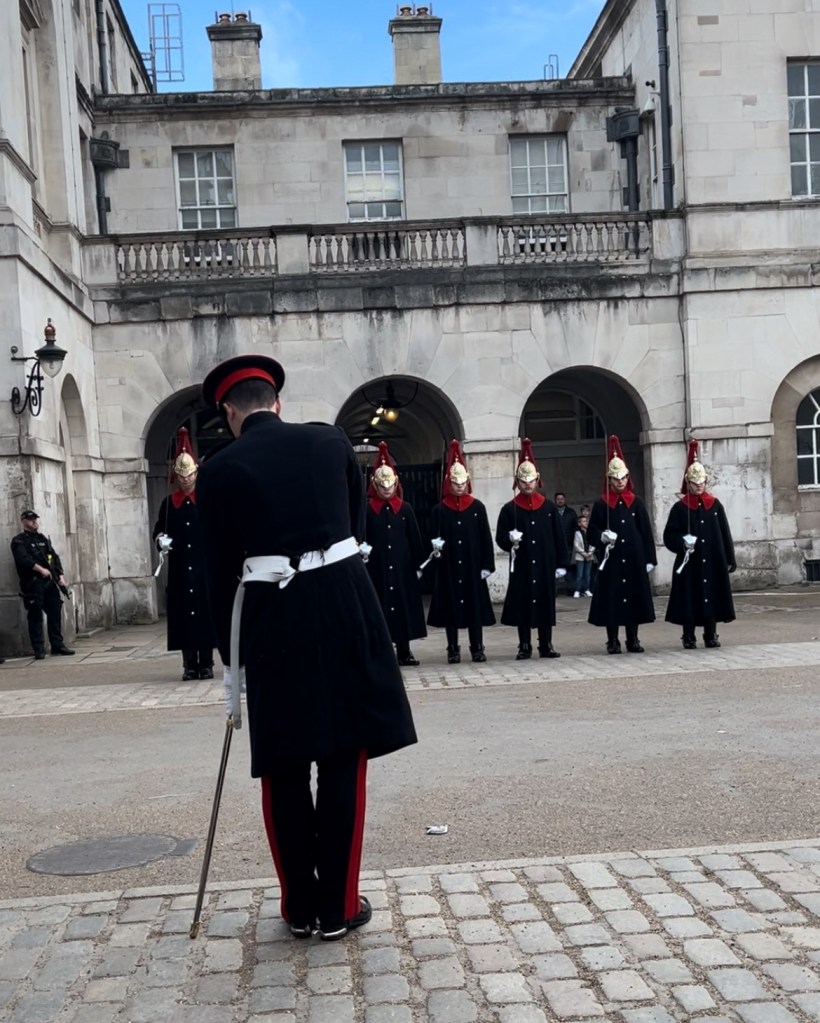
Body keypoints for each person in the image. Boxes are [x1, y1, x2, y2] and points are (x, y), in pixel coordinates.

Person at [196, 354, 416, 943]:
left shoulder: (218, 470)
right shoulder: (331, 442)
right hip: (345, 606)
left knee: (284, 766)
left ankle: (298, 907)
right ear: (277, 403)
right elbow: (355, 530)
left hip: (273, 618)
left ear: (229, 411)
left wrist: (230, 658)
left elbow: (220, 573)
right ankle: (339, 907)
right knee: (345, 758)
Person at [495, 439, 569, 659]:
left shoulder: (548, 507)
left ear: (537, 480)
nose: (527, 484)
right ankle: (524, 645)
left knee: (545, 603)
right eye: (523, 481)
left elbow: (558, 537)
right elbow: (500, 538)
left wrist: (561, 563)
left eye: (531, 480)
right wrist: (510, 541)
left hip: (545, 563)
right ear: (517, 482)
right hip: (522, 564)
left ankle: (546, 644)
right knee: (523, 604)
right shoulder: (509, 509)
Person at [152, 428, 216, 681]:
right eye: (181, 475)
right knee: (184, 616)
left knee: (204, 614)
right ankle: (189, 664)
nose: (185, 479)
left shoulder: (207, 499)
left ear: (196, 473)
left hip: (203, 565)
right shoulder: (169, 504)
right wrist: (161, 540)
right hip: (180, 567)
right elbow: (159, 529)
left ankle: (207, 663)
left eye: (189, 474)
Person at [426, 440, 495, 663]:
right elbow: (431, 537)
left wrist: (487, 564)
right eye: (455, 483)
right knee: (450, 610)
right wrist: (435, 550)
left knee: (474, 609)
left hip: (472, 565)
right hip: (448, 565)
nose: (459, 486)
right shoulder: (439, 510)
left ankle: (477, 647)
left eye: (463, 482)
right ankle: (452, 648)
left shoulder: (477, 507)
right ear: (449, 483)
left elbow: (485, 538)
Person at [587, 436, 657, 653]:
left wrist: (649, 558)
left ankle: (633, 638)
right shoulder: (601, 504)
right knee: (612, 600)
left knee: (633, 599)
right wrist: (602, 537)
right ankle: (613, 640)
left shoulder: (636, 503)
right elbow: (591, 532)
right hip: (612, 560)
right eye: (616, 479)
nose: (620, 482)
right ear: (609, 480)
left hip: (634, 558)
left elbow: (646, 532)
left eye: (623, 478)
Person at [663, 440, 736, 648]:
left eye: (702, 482)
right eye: (695, 483)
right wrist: (682, 542)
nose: (699, 486)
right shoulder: (680, 508)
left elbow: (724, 533)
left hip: (712, 559)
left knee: (711, 596)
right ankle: (688, 635)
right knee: (689, 597)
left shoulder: (715, 505)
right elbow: (669, 535)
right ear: (688, 483)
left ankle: (710, 634)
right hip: (690, 562)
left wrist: (729, 558)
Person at [363, 442, 427, 667]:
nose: (387, 489)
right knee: (379, 609)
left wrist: (419, 565)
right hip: (376, 567)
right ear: (375, 485)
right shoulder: (367, 510)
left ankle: (404, 651)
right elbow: (361, 535)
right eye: (383, 486)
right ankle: (381, 652)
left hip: (402, 568)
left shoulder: (405, 508)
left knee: (402, 609)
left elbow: (414, 538)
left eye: (390, 485)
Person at [11, 510, 74, 659]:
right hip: (33, 583)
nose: (34, 521)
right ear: (23, 521)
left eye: (35, 519)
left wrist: (60, 575)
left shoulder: (42, 539)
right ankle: (38, 649)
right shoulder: (19, 540)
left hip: (49, 582)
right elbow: (23, 560)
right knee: (35, 616)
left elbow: (52, 557)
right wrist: (40, 569)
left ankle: (57, 645)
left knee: (55, 612)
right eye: (30, 519)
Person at [554, 493, 578, 595]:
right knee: (554, 568)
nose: (560, 501)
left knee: (568, 567)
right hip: (555, 545)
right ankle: (554, 590)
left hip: (568, 545)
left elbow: (576, 528)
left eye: (562, 499)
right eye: (558, 499)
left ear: (565, 500)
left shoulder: (571, 513)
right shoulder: (552, 512)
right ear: (555, 500)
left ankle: (571, 589)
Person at [572, 513, 594, 598]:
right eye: (584, 521)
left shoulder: (591, 532)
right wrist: (584, 553)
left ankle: (586, 589)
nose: (586, 522)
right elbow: (576, 545)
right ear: (579, 523)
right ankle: (577, 590)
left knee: (587, 575)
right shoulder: (577, 533)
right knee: (579, 575)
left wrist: (589, 553)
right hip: (580, 556)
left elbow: (593, 543)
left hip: (589, 555)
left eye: (586, 521)